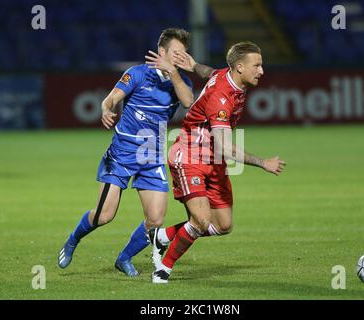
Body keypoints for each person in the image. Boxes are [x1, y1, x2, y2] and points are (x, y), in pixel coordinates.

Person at [57, 28, 194, 277]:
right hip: (122, 153)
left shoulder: (181, 82)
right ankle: (74, 239)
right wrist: (106, 110)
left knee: (155, 220)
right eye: (175, 53)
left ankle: (124, 258)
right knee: (104, 216)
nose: (180, 58)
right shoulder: (137, 74)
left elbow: (187, 102)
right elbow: (109, 99)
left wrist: (174, 71)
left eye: (183, 54)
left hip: (151, 157)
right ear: (161, 52)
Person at [148, 41, 286, 283]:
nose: (262, 71)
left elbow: (210, 72)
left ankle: (163, 236)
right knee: (201, 221)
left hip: (214, 162)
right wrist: (263, 162)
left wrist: (193, 65)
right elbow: (226, 147)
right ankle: (164, 269)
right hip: (190, 156)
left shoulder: (228, 75)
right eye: (258, 65)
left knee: (223, 225)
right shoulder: (222, 97)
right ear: (240, 68)